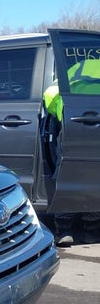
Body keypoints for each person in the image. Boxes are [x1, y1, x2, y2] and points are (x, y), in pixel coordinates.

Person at [42, 61, 100, 246]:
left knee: (67, 175)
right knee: (95, 179)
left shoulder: (79, 67)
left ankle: (64, 231)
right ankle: (91, 231)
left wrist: (60, 115)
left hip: (71, 126)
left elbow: (49, 96)